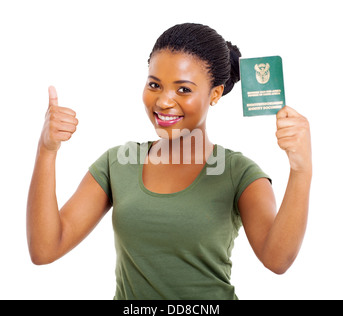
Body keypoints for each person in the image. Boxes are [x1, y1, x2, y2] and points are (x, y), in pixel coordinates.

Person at [26, 23, 312, 300]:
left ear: (214, 94)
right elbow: (45, 248)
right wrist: (46, 149)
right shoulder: (117, 163)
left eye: (183, 90)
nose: (163, 101)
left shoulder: (239, 173)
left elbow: (277, 260)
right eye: (155, 85)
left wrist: (301, 171)